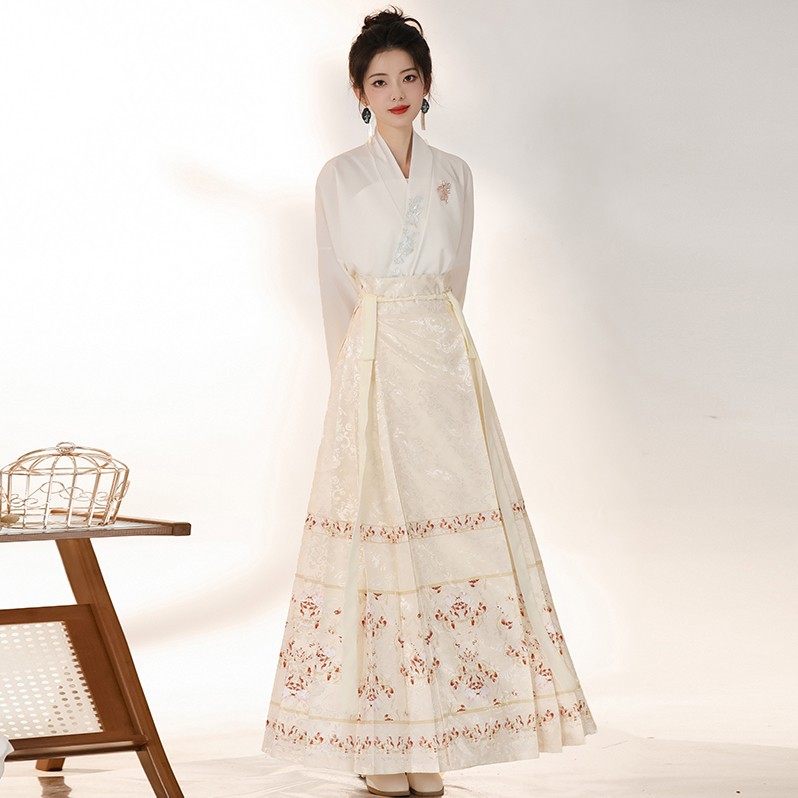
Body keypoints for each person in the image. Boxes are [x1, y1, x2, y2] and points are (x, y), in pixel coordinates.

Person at [262, 7, 597, 796]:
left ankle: (435, 738)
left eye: (408, 77)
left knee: (449, 542)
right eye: (380, 80)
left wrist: (442, 355)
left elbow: (458, 275)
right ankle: (381, 741)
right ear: (359, 93)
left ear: (427, 83)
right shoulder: (339, 177)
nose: (397, 91)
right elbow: (333, 281)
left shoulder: (456, 173)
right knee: (382, 540)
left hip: (442, 359)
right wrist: (351, 379)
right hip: (374, 356)